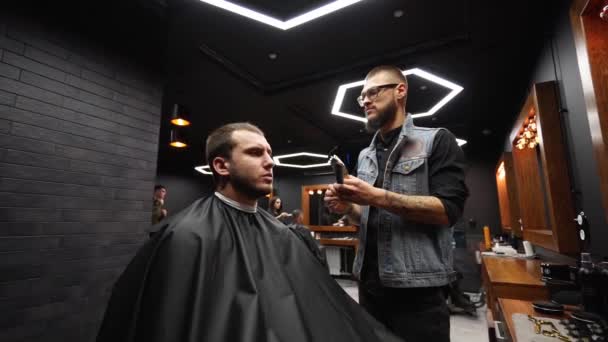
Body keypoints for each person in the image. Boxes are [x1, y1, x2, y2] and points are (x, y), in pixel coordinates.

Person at [97, 122, 400, 342]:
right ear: (221, 165)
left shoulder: (284, 236)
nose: (270, 162)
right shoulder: (186, 236)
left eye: (269, 153)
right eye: (256, 153)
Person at [325, 65, 469, 342]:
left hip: (417, 291)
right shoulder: (366, 154)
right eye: (361, 97)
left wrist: (374, 196)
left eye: (373, 92)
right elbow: (368, 216)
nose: (365, 100)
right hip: (368, 287)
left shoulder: (437, 140)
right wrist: (350, 209)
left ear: (400, 91)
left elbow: (448, 210)